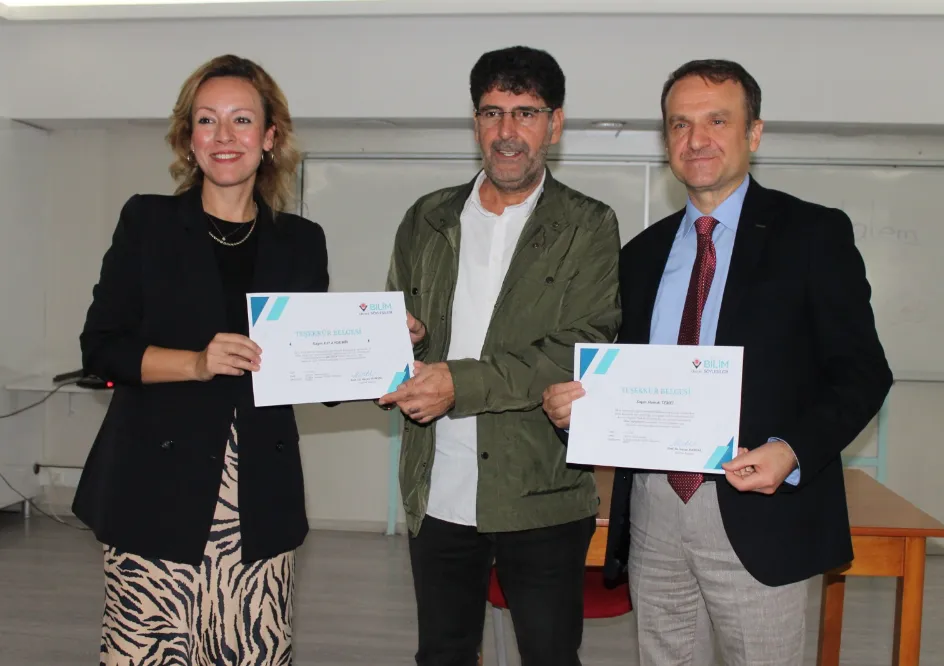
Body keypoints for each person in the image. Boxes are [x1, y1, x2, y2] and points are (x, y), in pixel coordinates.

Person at [542, 59, 892, 666]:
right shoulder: (641, 255)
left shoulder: (812, 234)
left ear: (754, 133)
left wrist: (792, 450)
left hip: (760, 508)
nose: (696, 139)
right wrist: (577, 406)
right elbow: (626, 377)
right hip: (654, 508)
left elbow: (863, 371)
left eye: (717, 121)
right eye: (680, 124)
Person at [72, 54, 328, 665]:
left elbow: (316, 367)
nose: (224, 136)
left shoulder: (301, 242)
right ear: (189, 138)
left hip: (259, 501)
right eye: (207, 120)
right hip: (152, 495)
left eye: (242, 120)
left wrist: (389, 345)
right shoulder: (147, 222)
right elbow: (101, 347)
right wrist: (194, 363)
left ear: (270, 137)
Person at [377, 45, 621, 666]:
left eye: (526, 113)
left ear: (554, 124)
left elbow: (579, 348)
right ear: (475, 122)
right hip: (437, 490)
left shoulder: (589, 225)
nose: (507, 132)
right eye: (492, 113)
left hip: (541, 490)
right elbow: (394, 327)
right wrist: (397, 341)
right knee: (443, 655)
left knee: (549, 656)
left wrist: (458, 384)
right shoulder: (426, 218)